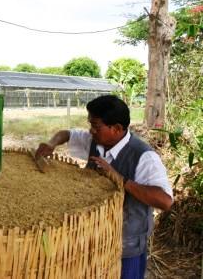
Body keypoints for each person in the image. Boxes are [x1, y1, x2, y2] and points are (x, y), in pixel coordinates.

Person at [35, 95, 173, 279]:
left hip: (126, 246)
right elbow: (66, 134)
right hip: (93, 241)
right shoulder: (97, 142)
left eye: (96, 126)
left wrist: (120, 180)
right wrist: (51, 144)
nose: (91, 131)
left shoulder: (144, 157)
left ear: (116, 128)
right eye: (90, 124)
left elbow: (165, 201)